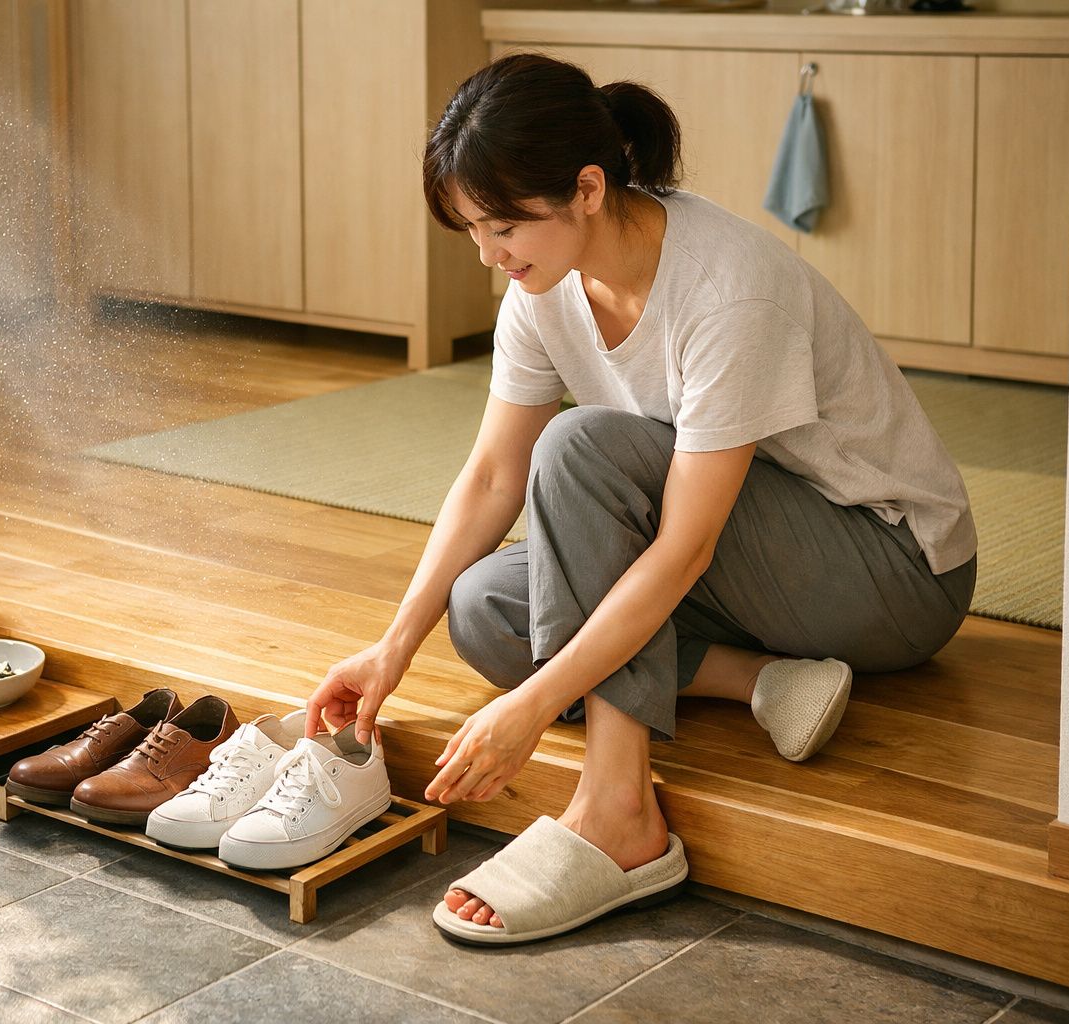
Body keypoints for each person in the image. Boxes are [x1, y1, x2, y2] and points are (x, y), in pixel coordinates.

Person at [302, 53, 976, 944]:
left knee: (584, 449)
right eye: (472, 230)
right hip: (753, 572)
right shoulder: (542, 288)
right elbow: (494, 477)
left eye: (504, 225)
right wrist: (391, 649)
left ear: (587, 188)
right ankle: (756, 678)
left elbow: (684, 546)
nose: (490, 255)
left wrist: (537, 707)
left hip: (888, 569)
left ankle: (620, 812)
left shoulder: (728, 289)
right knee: (483, 609)